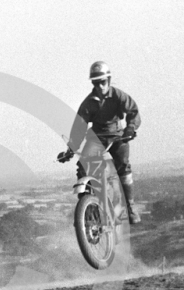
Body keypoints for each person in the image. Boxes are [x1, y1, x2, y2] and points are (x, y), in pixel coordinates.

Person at [58, 61, 142, 224]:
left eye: (102, 82)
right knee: (83, 167)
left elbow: (133, 111)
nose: (100, 86)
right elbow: (79, 128)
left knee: (123, 166)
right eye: (96, 83)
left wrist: (130, 129)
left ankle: (130, 208)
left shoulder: (118, 96)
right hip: (96, 138)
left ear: (108, 80)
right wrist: (71, 149)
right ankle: (86, 211)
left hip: (118, 136)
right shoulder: (88, 103)